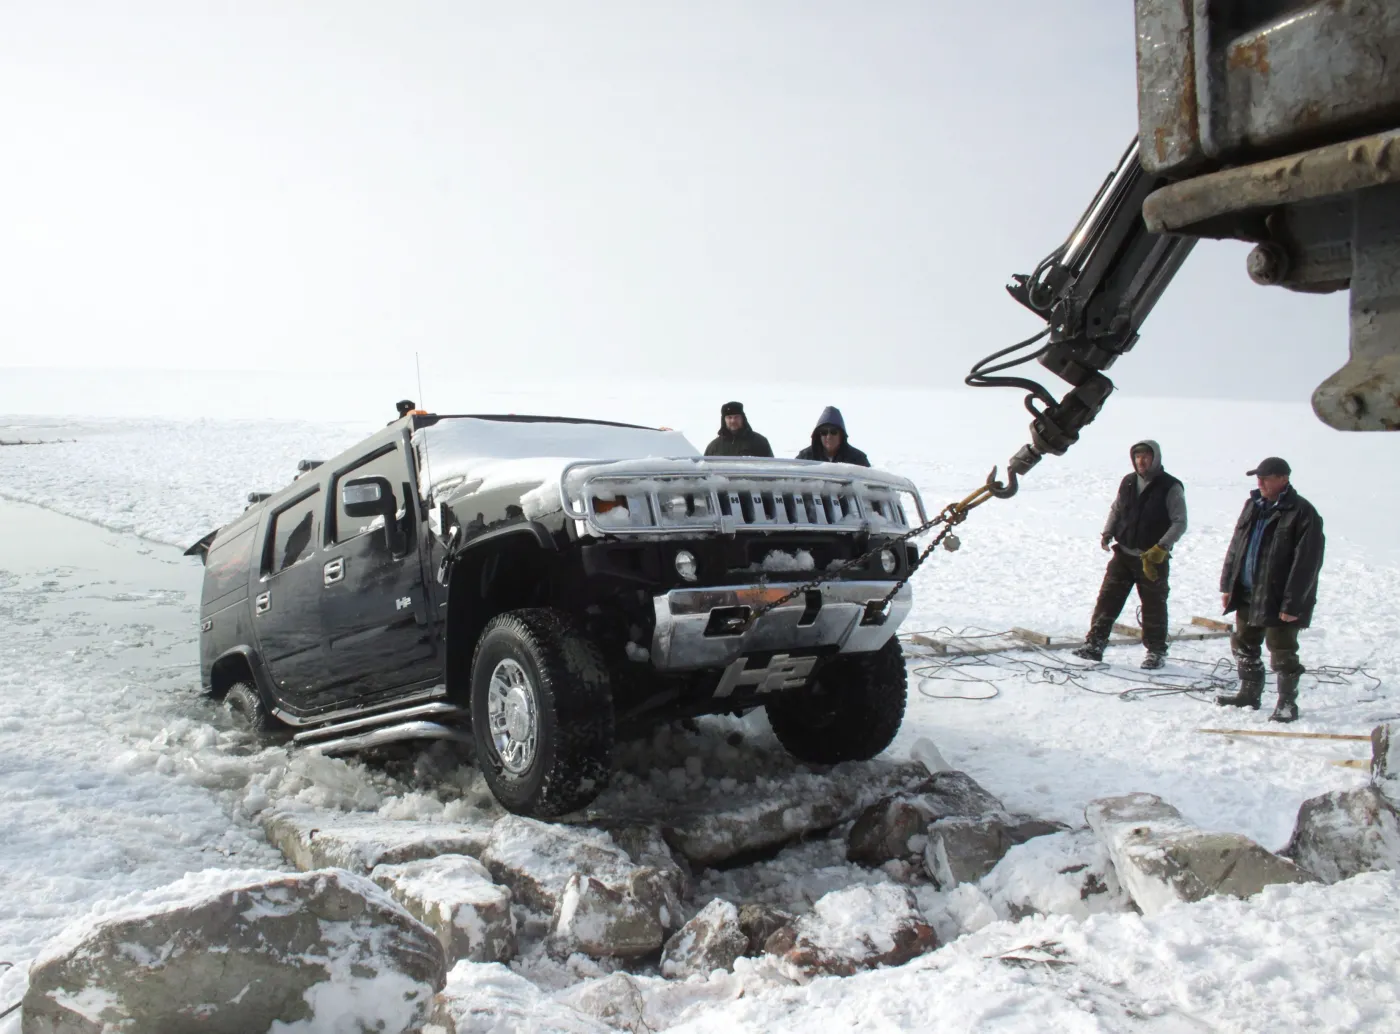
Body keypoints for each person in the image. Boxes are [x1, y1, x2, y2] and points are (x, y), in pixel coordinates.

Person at [1215, 457, 1325, 723]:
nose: (1260, 483)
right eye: (1258, 478)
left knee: (1282, 650)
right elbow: (1236, 546)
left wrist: (1292, 604)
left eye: (1266, 477)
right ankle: (1249, 693)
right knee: (1244, 642)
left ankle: (1287, 704)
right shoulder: (1253, 505)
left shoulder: (1302, 512)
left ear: (1283, 479)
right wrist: (1228, 584)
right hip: (1248, 591)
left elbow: (1307, 563)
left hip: (1279, 597)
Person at [1071, 440, 1187, 669]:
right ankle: (1094, 645)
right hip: (1123, 554)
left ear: (1156, 458)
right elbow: (1116, 509)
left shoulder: (1170, 486)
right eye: (1137, 457)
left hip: (1151, 559)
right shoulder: (1128, 482)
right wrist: (1108, 532)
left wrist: (1161, 547)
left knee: (1153, 606)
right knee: (1107, 601)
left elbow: (1180, 522)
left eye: (1146, 456)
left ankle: (1156, 651)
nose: (1141, 461)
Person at [796, 406, 869, 467]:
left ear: (841, 435)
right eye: (824, 432)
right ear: (819, 436)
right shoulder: (805, 457)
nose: (828, 436)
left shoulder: (858, 459)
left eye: (833, 432)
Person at [704, 401, 774, 457]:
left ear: (743, 418)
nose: (733, 421)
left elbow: (771, 468)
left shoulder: (759, 442)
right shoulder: (714, 447)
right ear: (724, 420)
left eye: (736, 417)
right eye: (729, 417)